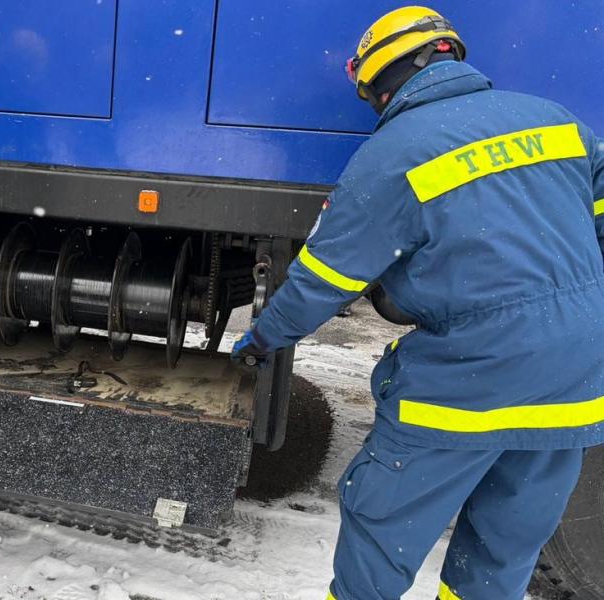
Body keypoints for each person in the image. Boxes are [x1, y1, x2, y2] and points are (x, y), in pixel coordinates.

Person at [232, 6, 604, 599]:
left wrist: (261, 339)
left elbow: (321, 281)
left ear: (379, 84)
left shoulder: (392, 155)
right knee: (503, 547)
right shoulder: (556, 122)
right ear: (451, 56)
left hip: (469, 378)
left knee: (382, 531)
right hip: (576, 378)